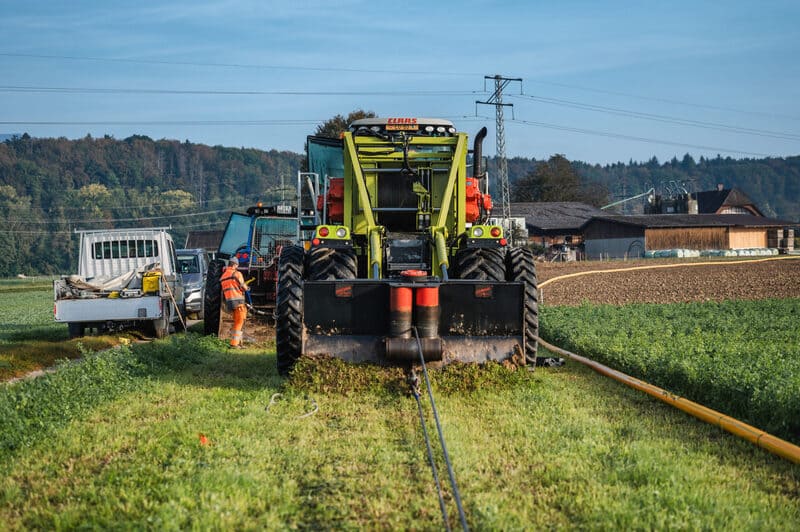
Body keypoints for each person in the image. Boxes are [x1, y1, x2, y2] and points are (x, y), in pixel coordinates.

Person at [220, 256, 250, 348]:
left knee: (237, 322)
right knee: (239, 322)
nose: (237, 267)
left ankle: (239, 343)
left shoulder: (223, 276)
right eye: (237, 265)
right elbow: (243, 287)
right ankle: (234, 344)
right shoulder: (236, 274)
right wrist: (247, 288)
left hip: (230, 302)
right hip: (238, 301)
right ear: (234, 265)